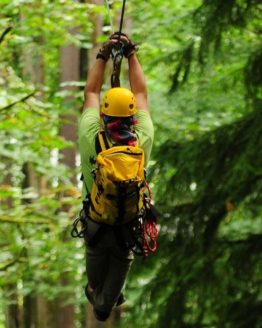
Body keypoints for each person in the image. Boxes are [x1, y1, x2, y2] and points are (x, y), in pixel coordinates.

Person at [78, 33, 154, 321]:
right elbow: (143, 94)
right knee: (104, 301)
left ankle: (101, 296)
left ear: (104, 115)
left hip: (95, 227)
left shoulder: (90, 137)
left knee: (94, 284)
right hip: (127, 231)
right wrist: (131, 53)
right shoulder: (142, 140)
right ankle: (106, 301)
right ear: (132, 116)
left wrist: (102, 55)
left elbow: (91, 93)